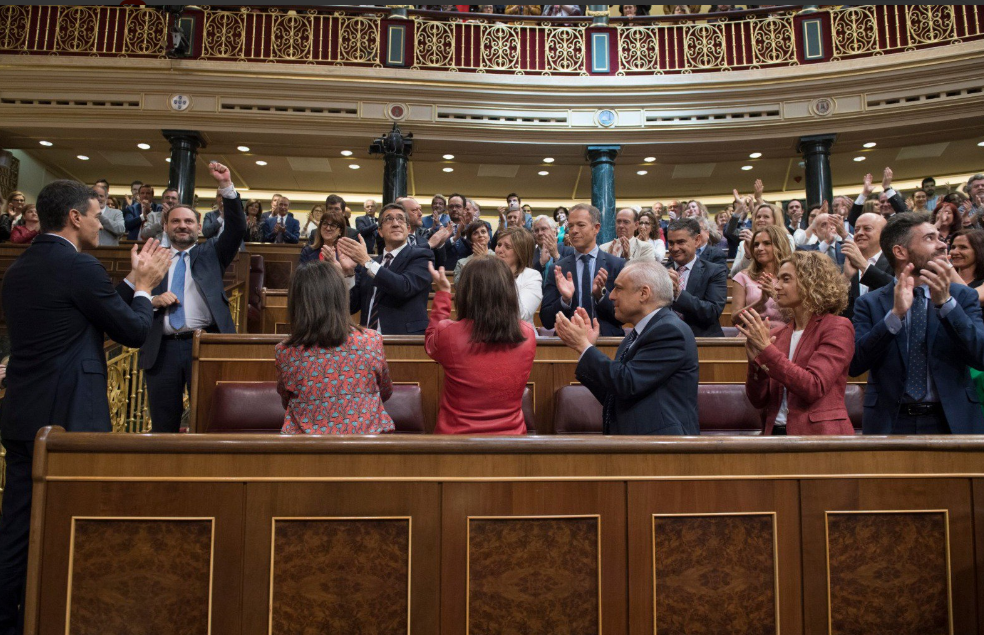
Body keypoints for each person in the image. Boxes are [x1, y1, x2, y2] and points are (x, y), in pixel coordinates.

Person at [0, 180, 170, 633]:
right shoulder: (82, 268)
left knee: (16, 528)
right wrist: (145, 288)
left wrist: (132, 282)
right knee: (75, 520)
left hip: (22, 413)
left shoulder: (19, 269)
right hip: (71, 417)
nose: (101, 222)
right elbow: (132, 331)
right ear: (75, 217)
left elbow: (84, 314)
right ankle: (65, 611)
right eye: (97, 214)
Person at [129, 162, 247, 433]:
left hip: (204, 345)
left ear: (198, 227)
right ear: (166, 226)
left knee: (209, 420)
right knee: (163, 425)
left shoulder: (212, 253)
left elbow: (237, 228)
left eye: (189, 221)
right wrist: (152, 300)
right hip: (162, 349)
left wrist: (226, 186)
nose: (183, 226)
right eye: (176, 221)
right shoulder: (151, 256)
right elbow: (131, 299)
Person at [850, 212, 984, 434]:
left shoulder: (962, 297)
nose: (942, 245)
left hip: (953, 420)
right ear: (900, 251)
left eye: (940, 238)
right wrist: (894, 316)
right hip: (890, 423)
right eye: (930, 238)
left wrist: (947, 306)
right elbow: (856, 364)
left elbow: (981, 356)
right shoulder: (869, 303)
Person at [554, 261, 700, 435]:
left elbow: (627, 383)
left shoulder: (669, 331)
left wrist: (583, 346)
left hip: (661, 450)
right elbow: (615, 394)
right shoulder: (637, 334)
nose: (611, 296)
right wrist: (586, 348)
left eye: (618, 288)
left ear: (644, 293)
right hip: (638, 444)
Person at [739, 251, 855, 435]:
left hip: (820, 436)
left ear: (810, 282)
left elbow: (813, 386)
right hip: (775, 433)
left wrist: (767, 351)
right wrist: (755, 365)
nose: (776, 286)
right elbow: (758, 401)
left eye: (786, 279)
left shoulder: (837, 327)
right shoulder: (778, 334)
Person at [276, 261, 394, 435]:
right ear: (340, 297)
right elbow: (385, 390)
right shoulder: (371, 341)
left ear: (297, 304)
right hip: (368, 450)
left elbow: (286, 400)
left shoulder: (286, 351)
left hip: (304, 453)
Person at [425, 257, 536, 434]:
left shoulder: (449, 333)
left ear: (466, 292)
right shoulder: (527, 333)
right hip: (512, 443)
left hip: (455, 444)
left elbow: (431, 341)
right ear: (508, 291)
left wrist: (443, 293)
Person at [339, 202, 434, 335]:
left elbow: (404, 287)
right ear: (380, 231)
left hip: (404, 342)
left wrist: (367, 262)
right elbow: (351, 306)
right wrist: (349, 273)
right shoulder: (371, 263)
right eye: (388, 219)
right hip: (368, 342)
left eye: (400, 219)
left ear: (407, 228)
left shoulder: (422, 256)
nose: (395, 223)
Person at [540, 203, 625, 337]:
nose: (573, 230)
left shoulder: (616, 265)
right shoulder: (558, 269)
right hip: (567, 346)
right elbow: (547, 320)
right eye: (571, 226)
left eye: (581, 225)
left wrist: (601, 295)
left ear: (596, 228)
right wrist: (565, 300)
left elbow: (623, 316)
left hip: (606, 344)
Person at [666, 218, 728, 337]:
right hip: (666, 340)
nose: (674, 248)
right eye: (671, 243)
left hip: (703, 342)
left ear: (697, 240)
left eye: (680, 242)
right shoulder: (659, 272)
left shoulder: (714, 271)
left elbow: (712, 312)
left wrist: (678, 294)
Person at [732, 224, 793, 325]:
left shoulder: (792, 277)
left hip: (785, 336)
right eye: (756, 244)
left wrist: (774, 295)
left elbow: (798, 316)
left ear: (780, 245)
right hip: (752, 335)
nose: (759, 248)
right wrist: (760, 302)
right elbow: (734, 320)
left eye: (766, 243)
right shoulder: (742, 277)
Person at [841, 212, 892, 320]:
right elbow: (832, 305)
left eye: (867, 229)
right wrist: (846, 277)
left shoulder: (895, 262)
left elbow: (895, 290)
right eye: (856, 230)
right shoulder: (846, 265)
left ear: (884, 234)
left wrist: (863, 265)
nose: (859, 233)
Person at [729, 202, 794, 278]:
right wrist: (748, 256)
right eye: (758, 217)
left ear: (776, 220)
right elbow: (734, 274)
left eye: (766, 217)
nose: (761, 220)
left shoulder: (787, 238)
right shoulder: (744, 243)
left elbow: (787, 266)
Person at [494, 227, 542, 325]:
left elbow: (521, 315)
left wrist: (504, 278)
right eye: (499, 245)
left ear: (520, 252)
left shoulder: (532, 276)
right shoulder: (486, 272)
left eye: (507, 247)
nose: (499, 250)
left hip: (520, 336)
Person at [531, 215, 575, 286]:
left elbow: (573, 276)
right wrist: (540, 264)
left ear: (554, 232)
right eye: (536, 230)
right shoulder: (529, 255)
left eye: (543, 229)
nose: (540, 233)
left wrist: (557, 256)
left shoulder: (569, 251)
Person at [947, 228, 984, 304]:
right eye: (953, 247)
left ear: (979, 250)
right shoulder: (943, 278)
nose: (954, 252)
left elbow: (970, 298)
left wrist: (948, 266)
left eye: (963, 247)